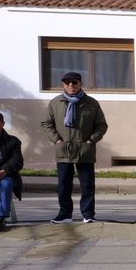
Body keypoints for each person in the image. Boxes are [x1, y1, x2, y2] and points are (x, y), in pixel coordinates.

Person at [41, 71, 107, 224]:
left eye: (74, 82)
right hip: (64, 150)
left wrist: (91, 141)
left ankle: (88, 214)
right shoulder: (55, 103)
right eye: (67, 82)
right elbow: (46, 123)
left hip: (84, 150)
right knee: (63, 185)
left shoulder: (91, 103)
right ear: (63, 84)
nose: (71, 85)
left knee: (87, 184)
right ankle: (64, 214)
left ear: (80, 84)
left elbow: (101, 125)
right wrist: (57, 140)